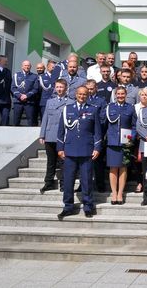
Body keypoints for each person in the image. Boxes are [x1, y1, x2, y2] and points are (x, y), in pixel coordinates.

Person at [56, 86, 102, 220]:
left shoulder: (92, 110)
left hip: (86, 150)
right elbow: (61, 131)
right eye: (80, 94)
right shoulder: (67, 109)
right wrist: (60, 148)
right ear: (76, 94)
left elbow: (97, 132)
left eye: (84, 94)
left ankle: (88, 206)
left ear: (88, 95)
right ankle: (68, 206)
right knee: (68, 181)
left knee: (87, 180)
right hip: (69, 150)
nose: (82, 96)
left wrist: (97, 148)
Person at [105, 86, 137, 205]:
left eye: (122, 94)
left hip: (125, 142)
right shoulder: (110, 107)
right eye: (118, 94)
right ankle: (114, 193)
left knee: (123, 168)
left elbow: (134, 125)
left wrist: (131, 138)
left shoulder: (130, 108)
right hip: (112, 142)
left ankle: (120, 193)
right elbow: (104, 124)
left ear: (126, 95)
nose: (120, 96)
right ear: (115, 95)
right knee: (113, 168)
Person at [39, 79, 68, 194]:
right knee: (50, 161)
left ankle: (63, 184)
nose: (59, 89)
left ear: (66, 88)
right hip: (50, 135)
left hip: (63, 136)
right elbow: (45, 118)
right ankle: (48, 182)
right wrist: (42, 135)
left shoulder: (70, 102)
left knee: (63, 161)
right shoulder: (50, 102)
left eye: (61, 87)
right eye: (57, 87)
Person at [11, 60, 40, 126]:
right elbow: (13, 87)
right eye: (25, 65)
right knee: (16, 120)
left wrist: (27, 96)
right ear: (22, 66)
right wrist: (19, 96)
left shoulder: (34, 76)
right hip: (18, 101)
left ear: (30, 67)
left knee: (31, 121)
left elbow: (35, 89)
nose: (27, 67)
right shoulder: (16, 75)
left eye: (28, 65)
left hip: (29, 101)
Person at [133, 87, 147, 194]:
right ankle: (139, 182)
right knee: (137, 163)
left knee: (146, 162)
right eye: (142, 94)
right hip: (136, 138)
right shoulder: (135, 107)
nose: (144, 96)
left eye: (146, 95)